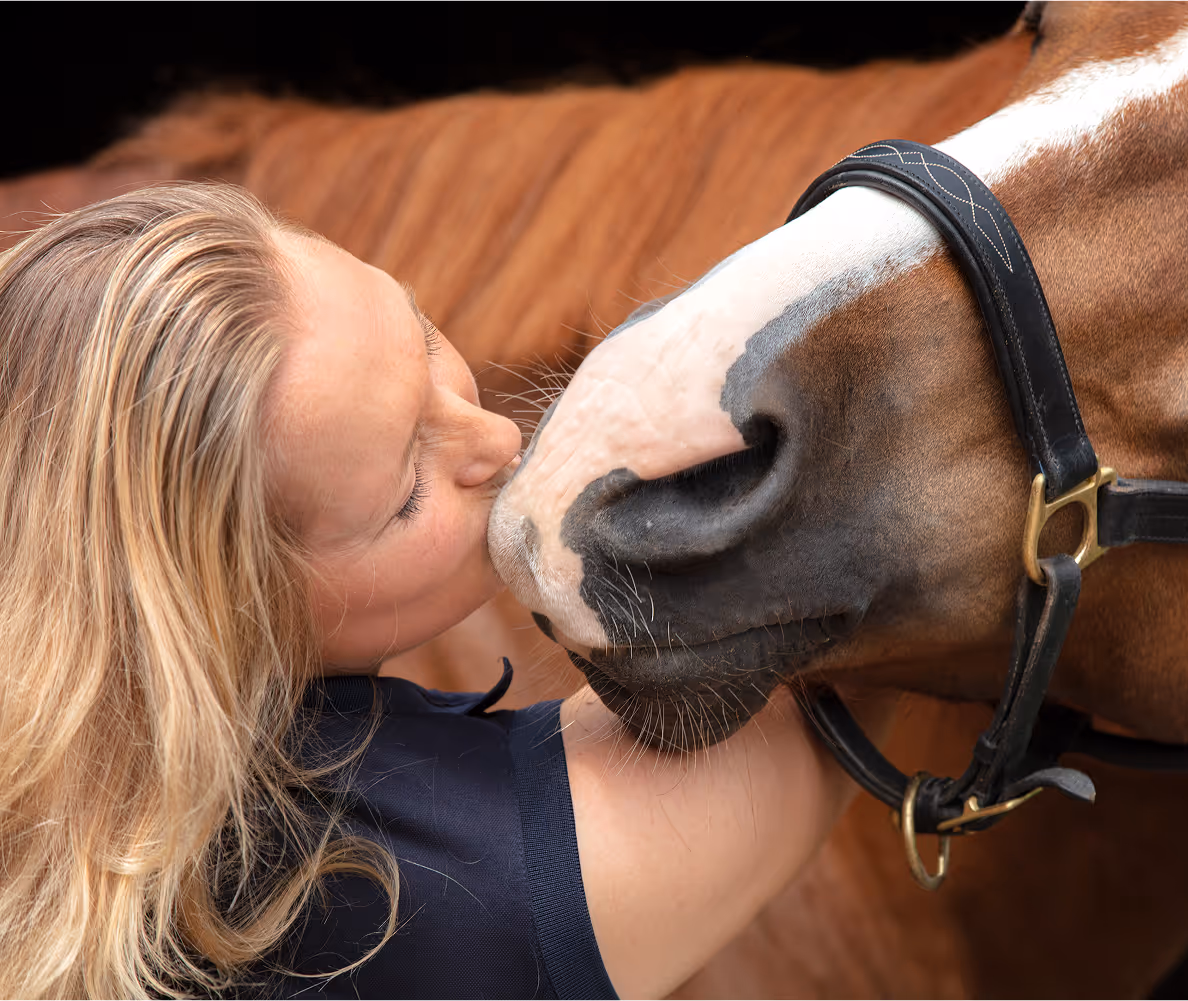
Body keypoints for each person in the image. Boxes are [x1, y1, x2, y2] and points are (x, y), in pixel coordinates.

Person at [0, 184, 892, 999]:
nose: (499, 438)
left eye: (423, 334)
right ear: (224, 621)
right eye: (407, 493)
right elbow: (839, 609)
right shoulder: (430, 892)